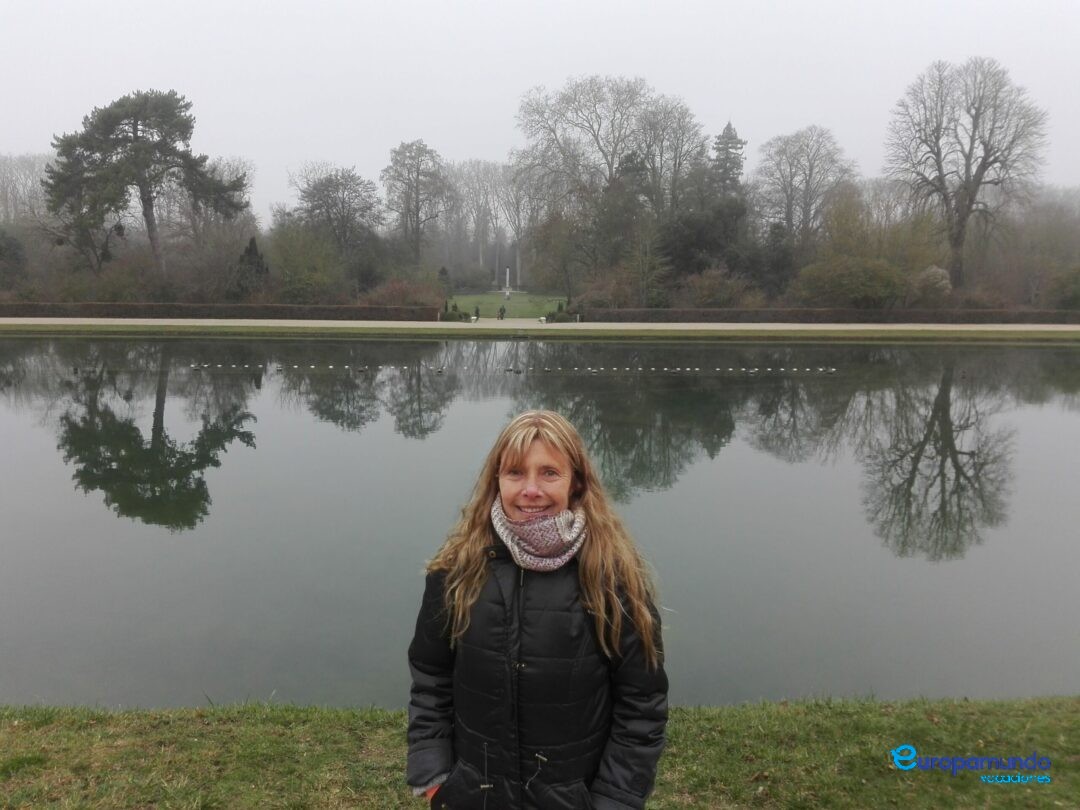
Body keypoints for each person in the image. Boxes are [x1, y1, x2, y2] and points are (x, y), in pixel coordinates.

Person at [407, 411, 668, 809]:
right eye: (515, 473)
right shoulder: (456, 571)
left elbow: (642, 706)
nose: (531, 489)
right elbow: (431, 678)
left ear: (576, 481)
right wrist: (437, 779)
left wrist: (614, 800)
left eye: (549, 473)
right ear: (496, 480)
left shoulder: (614, 579)